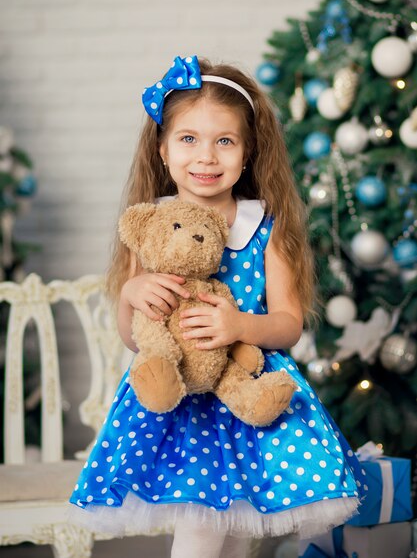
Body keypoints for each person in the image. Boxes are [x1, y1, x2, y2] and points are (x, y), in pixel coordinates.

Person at [68, 55, 366, 557]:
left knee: (233, 539)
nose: (206, 157)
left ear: (248, 153)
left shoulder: (263, 229)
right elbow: (133, 335)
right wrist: (129, 297)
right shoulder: (152, 227)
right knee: (202, 531)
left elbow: (289, 324)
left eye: (224, 141)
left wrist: (238, 324)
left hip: (247, 396)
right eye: (188, 139)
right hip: (182, 405)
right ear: (161, 150)